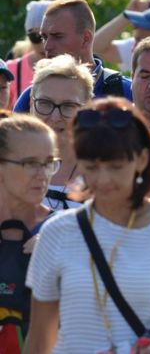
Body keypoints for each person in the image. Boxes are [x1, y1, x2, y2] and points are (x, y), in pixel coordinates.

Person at [23, 97, 150, 353]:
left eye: (115, 167)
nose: (103, 179)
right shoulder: (56, 231)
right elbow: (39, 337)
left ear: (142, 160)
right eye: (91, 166)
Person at [0, 113, 59, 354]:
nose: (43, 174)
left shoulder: (67, 232)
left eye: (49, 163)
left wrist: (61, 246)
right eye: (30, 163)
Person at [14, 0, 133, 113]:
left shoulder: (125, 91)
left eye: (57, 36)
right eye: (44, 37)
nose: (47, 46)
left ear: (86, 39)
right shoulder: (32, 97)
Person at [29, 54, 94, 211]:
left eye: (68, 106)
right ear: (31, 103)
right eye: (45, 103)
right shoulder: (6, 166)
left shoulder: (103, 173)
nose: (55, 117)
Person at [5, 1, 52, 108]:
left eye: (49, 37)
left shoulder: (73, 71)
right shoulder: (11, 70)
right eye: (35, 37)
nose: (43, 45)